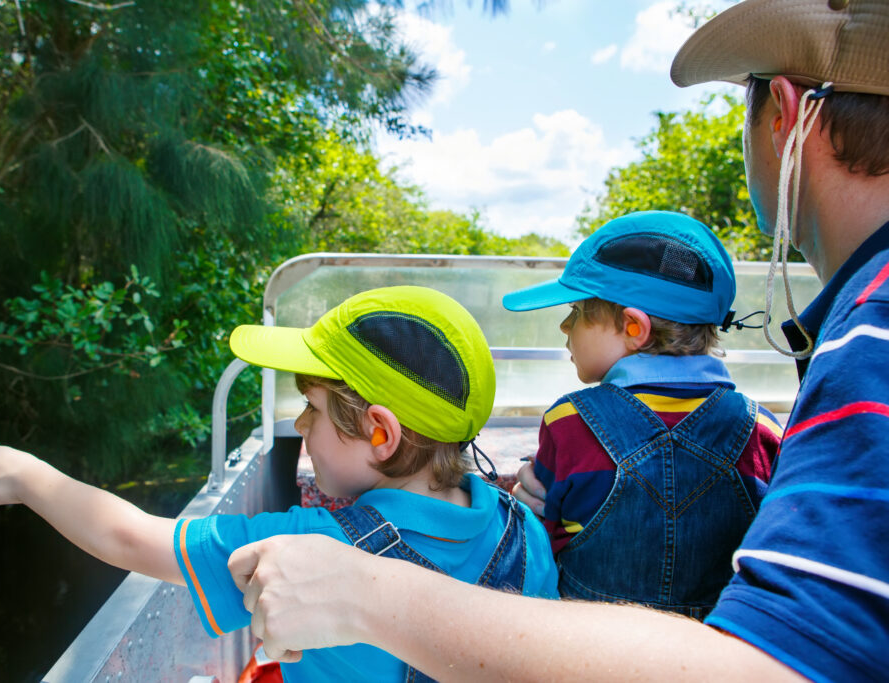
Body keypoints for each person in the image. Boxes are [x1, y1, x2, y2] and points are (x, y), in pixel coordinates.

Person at [225, 1, 889, 681]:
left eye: (577, 314)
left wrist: (370, 595)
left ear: (783, 113)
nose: (565, 330)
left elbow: (788, 663)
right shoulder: (765, 421)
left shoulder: (867, 338)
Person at [0, 285, 558, 682]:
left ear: (380, 433)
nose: (299, 425)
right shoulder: (524, 528)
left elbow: (130, 538)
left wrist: (29, 478)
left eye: (313, 411)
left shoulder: (313, 545)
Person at [501, 210, 781, 617]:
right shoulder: (763, 430)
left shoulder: (569, 422)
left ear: (634, 328)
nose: (564, 325)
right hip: (715, 651)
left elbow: (543, 543)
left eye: (578, 312)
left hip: (591, 650)